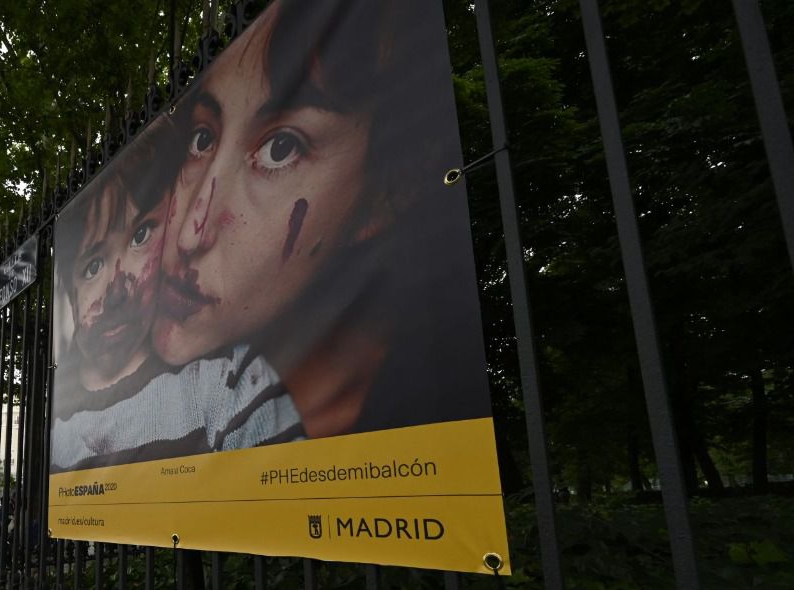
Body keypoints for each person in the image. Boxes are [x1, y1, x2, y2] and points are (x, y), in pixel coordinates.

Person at [151, 0, 492, 438]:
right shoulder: (167, 403)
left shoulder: (427, 419)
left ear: (385, 195)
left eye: (280, 149)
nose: (189, 233)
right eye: (202, 138)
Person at [51, 116, 303, 472]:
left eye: (141, 236)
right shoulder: (55, 414)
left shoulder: (226, 380)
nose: (118, 289)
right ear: (69, 293)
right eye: (93, 266)